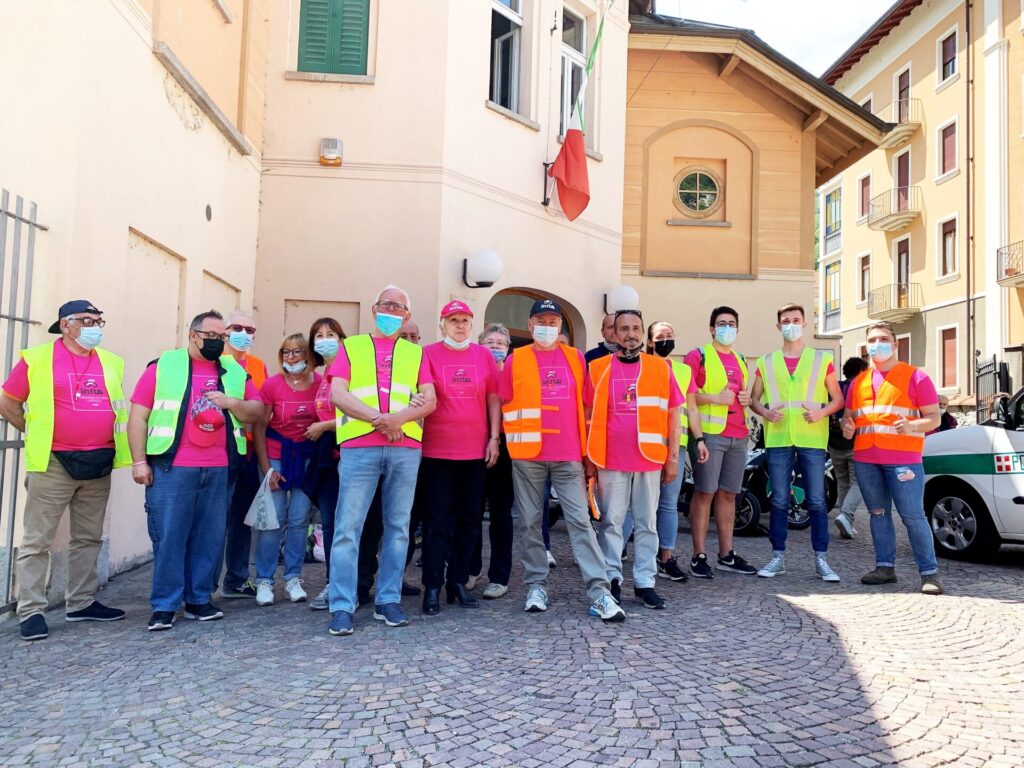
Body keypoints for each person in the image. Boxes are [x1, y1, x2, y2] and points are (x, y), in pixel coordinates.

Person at [0, 300, 130, 642]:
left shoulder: (111, 362)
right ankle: (30, 610)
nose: (95, 326)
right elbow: (8, 402)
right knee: (37, 540)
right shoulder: (37, 358)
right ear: (66, 324)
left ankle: (81, 601)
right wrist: (35, 432)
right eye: (87, 320)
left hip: (99, 461)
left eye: (99, 320)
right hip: (54, 462)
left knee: (88, 537)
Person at [128, 310, 264, 631]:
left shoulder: (234, 371)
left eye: (222, 338)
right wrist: (138, 462)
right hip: (172, 466)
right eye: (212, 337)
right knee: (170, 536)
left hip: (219, 468)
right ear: (193, 335)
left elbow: (257, 411)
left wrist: (232, 402)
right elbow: (138, 417)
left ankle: (199, 600)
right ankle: (164, 605)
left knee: (210, 537)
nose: (218, 343)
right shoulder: (163, 367)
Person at [500, 298, 624, 622]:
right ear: (530, 326)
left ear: (560, 327)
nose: (547, 327)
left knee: (581, 522)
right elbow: (502, 403)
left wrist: (587, 454)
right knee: (529, 522)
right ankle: (536, 585)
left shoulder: (574, 358)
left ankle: (600, 592)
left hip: (568, 454)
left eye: (553, 322)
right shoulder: (516, 359)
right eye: (540, 321)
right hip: (527, 456)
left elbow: (586, 408)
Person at [326, 286, 436, 636]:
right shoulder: (352, 346)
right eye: (386, 304)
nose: (392, 311)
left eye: (399, 307)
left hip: (404, 448)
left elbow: (430, 399)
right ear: (374, 309)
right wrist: (381, 419)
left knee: (399, 528)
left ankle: (388, 600)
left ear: (407, 315)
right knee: (348, 529)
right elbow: (337, 393)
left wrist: (397, 420)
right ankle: (342, 605)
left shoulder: (415, 353)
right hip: (361, 447)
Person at [585, 309, 683, 609]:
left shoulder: (661, 368)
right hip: (610, 458)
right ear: (613, 333)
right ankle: (612, 579)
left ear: (643, 333)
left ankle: (645, 582)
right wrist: (588, 459)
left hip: (650, 458)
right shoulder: (597, 368)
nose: (630, 333)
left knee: (647, 523)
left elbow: (673, 415)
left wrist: (673, 458)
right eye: (623, 328)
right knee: (612, 523)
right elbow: (586, 416)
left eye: (636, 328)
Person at [841, 322, 944, 594]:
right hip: (866, 458)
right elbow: (848, 418)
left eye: (883, 339)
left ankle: (929, 573)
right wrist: (846, 426)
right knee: (878, 514)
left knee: (912, 515)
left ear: (896, 344)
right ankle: (885, 567)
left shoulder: (916, 378)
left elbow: (935, 417)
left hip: (903, 460)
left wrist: (913, 426)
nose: (878, 344)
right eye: (872, 340)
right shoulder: (858, 382)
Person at [750, 304, 844, 582]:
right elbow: (754, 399)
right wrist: (765, 412)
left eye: (795, 320)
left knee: (816, 499)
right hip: (778, 437)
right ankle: (777, 557)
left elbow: (838, 399)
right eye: (785, 321)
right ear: (778, 327)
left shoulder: (820, 359)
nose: (791, 324)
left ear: (804, 324)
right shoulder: (766, 362)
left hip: (812, 437)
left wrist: (821, 412)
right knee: (778, 499)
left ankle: (822, 559)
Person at [419, 301, 501, 614]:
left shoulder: (483, 356)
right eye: (454, 320)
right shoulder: (428, 353)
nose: (460, 325)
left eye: (465, 320)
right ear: (443, 324)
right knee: (437, 521)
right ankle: (432, 586)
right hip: (437, 451)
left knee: (469, 522)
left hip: (474, 452)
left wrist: (494, 438)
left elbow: (493, 398)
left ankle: (457, 583)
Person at [683, 306, 757, 578]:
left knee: (729, 494)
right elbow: (686, 397)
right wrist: (714, 398)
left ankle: (726, 554)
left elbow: (739, 395)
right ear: (712, 328)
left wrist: (746, 400)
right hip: (709, 435)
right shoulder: (698, 356)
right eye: (722, 323)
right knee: (705, 492)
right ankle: (698, 555)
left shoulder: (740, 358)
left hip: (738, 434)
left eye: (732, 323)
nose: (727, 328)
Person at [252, 334, 320, 606]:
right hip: (277, 456)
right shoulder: (272, 385)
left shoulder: (321, 384)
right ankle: (264, 581)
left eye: (297, 352)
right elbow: (259, 426)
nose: (291, 358)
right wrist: (267, 468)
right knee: (272, 520)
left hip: (306, 458)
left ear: (308, 355)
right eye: (286, 353)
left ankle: (293, 577)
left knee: (299, 519)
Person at [645, 320, 708, 580]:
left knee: (669, 503)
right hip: (646, 442)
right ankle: (637, 556)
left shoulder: (683, 371)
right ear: (650, 341)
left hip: (677, 443)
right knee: (643, 503)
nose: (666, 340)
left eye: (670, 335)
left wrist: (700, 439)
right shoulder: (642, 366)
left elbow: (692, 409)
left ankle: (666, 558)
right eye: (660, 336)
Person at [220, 310, 269, 600]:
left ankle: (236, 579)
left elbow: (262, 408)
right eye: (237, 327)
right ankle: (201, 586)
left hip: (249, 450)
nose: (244, 333)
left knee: (241, 519)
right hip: (219, 451)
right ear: (224, 331)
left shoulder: (258, 366)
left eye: (250, 329)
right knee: (214, 519)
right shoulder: (214, 363)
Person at [469, 323, 515, 599]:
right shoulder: (475, 371)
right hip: (474, 445)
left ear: (508, 349)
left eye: (501, 343)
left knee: (501, 515)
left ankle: (499, 576)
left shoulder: (513, 373)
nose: (495, 346)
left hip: (508, 449)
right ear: (480, 345)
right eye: (490, 342)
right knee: (471, 511)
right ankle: (470, 569)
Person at [303, 317, 346, 611]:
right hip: (326, 459)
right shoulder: (322, 374)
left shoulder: (350, 371)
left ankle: (349, 583)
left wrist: (324, 427)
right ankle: (334, 583)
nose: (325, 339)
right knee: (330, 524)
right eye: (319, 335)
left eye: (331, 334)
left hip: (348, 456)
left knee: (347, 525)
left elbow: (360, 414)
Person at [830, 356, 870, 539]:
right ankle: (846, 516)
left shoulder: (835, 387)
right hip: (855, 443)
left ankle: (846, 523)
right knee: (860, 482)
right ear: (861, 372)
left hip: (834, 444)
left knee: (843, 482)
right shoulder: (860, 388)